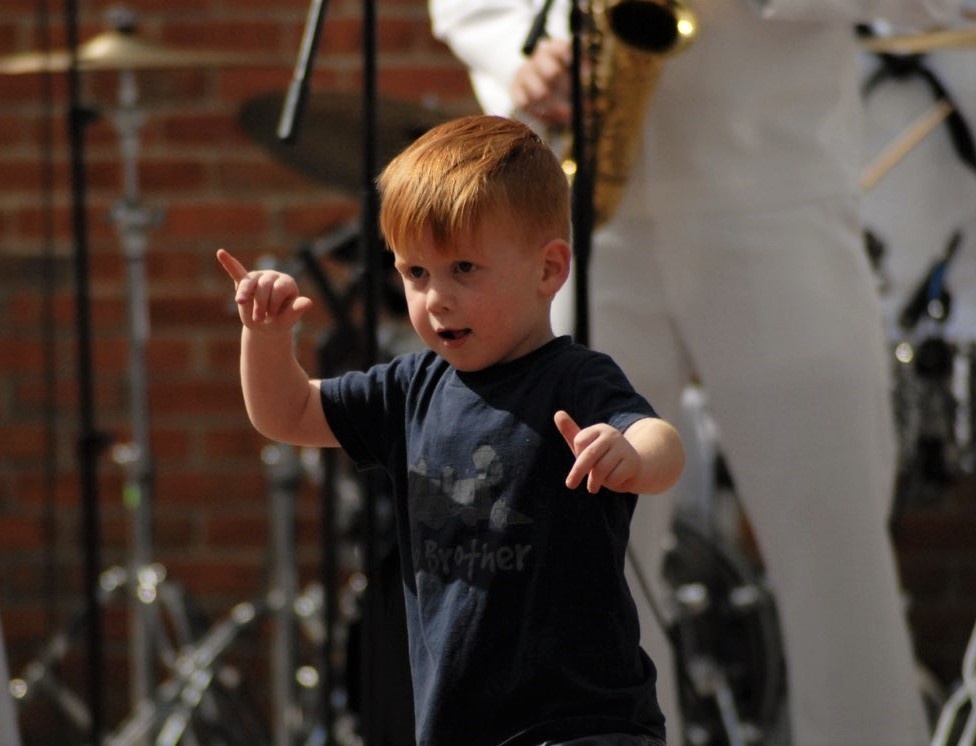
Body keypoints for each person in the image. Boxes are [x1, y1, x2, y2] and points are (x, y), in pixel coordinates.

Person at [427, 1, 965, 744]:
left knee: (837, 565)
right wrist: (523, 53)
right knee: (589, 570)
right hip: (573, 209)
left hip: (776, 199)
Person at [218, 114, 685, 746]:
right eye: (415, 273)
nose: (435, 297)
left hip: (584, 723)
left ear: (548, 270)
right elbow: (289, 414)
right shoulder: (410, 389)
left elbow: (663, 442)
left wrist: (628, 452)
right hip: (461, 724)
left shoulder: (574, 378)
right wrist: (267, 340)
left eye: (463, 268)